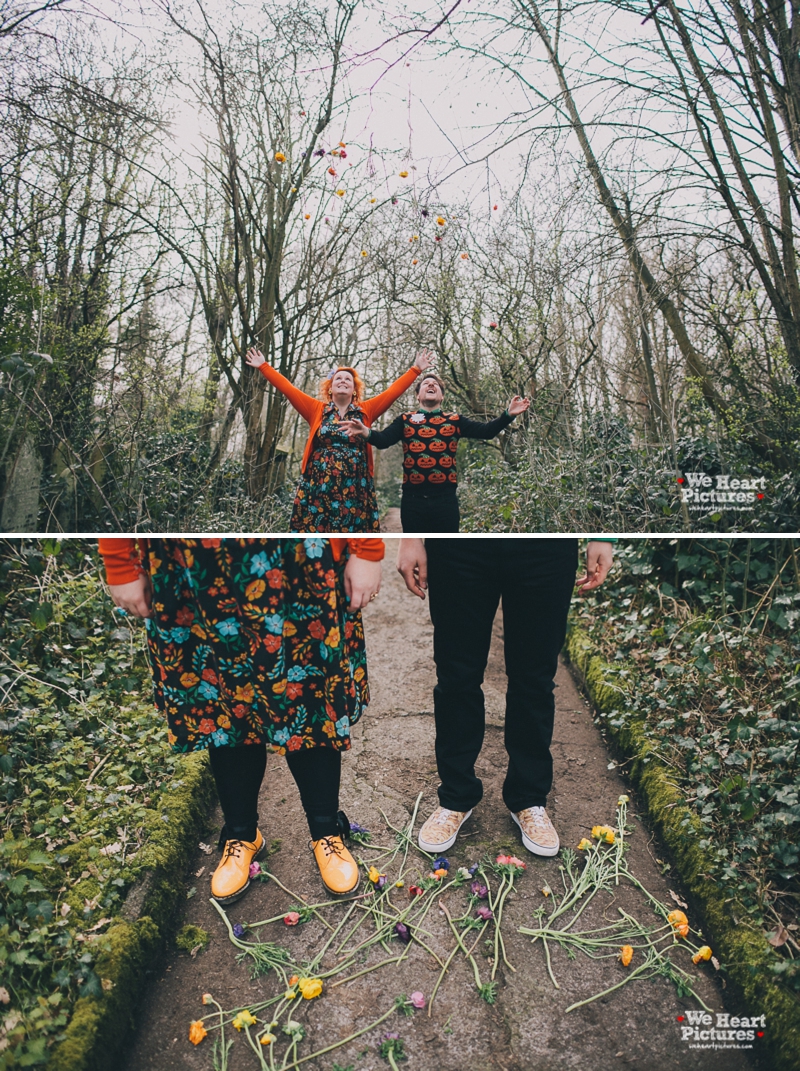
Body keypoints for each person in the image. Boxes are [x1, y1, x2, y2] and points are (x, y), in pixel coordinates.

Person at [99, 536, 383, 903]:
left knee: (308, 696)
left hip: (298, 558)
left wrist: (368, 548)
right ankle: (241, 834)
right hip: (193, 564)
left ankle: (326, 832)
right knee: (223, 703)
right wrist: (119, 562)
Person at [396, 537, 613, 857]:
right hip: (459, 547)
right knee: (457, 677)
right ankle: (455, 797)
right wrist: (412, 536)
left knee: (535, 679)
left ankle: (528, 799)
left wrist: (601, 535)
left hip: (545, 550)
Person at [244, 348, 432, 532]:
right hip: (318, 484)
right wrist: (264, 367)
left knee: (352, 534)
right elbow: (288, 388)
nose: (343, 381)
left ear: (354, 389)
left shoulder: (366, 410)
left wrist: (415, 369)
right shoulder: (316, 409)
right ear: (330, 387)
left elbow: (393, 391)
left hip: (356, 486)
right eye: (338, 378)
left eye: (348, 379)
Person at [341, 373, 530, 532]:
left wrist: (508, 415)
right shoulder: (405, 419)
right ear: (417, 395)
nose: (431, 384)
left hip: (445, 502)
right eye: (425, 383)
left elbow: (487, 432)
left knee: (446, 552)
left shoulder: (454, 420)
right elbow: (383, 441)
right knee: (414, 550)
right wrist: (365, 432)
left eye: (436, 385)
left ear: (442, 397)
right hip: (412, 502)